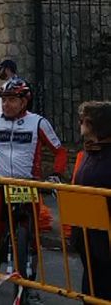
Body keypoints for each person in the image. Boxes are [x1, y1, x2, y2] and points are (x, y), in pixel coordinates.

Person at [0, 77, 67, 304]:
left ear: (24, 101)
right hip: (1, 184)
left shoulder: (38, 122)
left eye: (11, 100)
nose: (6, 104)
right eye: (3, 100)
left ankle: (29, 288)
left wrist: (56, 174)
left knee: (31, 239)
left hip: (27, 185)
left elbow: (59, 151)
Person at [71, 101, 111, 300]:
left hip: (104, 238)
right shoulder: (89, 151)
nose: (79, 123)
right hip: (88, 236)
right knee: (91, 286)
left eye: (83, 119)